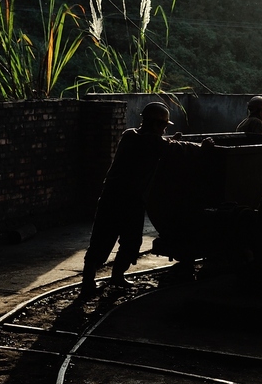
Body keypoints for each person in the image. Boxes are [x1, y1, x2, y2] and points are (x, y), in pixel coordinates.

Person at [80, 102, 212, 297]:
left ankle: (95, 281)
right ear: (157, 124)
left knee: (105, 239)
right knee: (127, 241)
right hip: (130, 199)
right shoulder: (152, 142)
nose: (164, 130)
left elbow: (162, 144)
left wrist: (169, 141)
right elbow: (177, 148)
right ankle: (110, 277)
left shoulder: (129, 135)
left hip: (112, 196)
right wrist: (204, 147)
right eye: (164, 126)